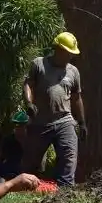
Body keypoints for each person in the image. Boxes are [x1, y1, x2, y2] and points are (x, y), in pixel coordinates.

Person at [21, 32, 87, 186]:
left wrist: (82, 122)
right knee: (32, 162)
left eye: (72, 54)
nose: (69, 57)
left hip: (65, 121)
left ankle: (65, 192)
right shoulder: (39, 64)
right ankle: (27, 189)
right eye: (67, 53)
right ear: (57, 49)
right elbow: (28, 84)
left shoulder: (73, 71)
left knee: (69, 158)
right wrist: (29, 103)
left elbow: (76, 98)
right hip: (40, 122)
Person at [0, 110, 29, 184]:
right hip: (9, 169)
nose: (18, 128)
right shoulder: (9, 140)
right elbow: (2, 156)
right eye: (16, 125)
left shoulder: (32, 140)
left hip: (26, 170)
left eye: (21, 125)